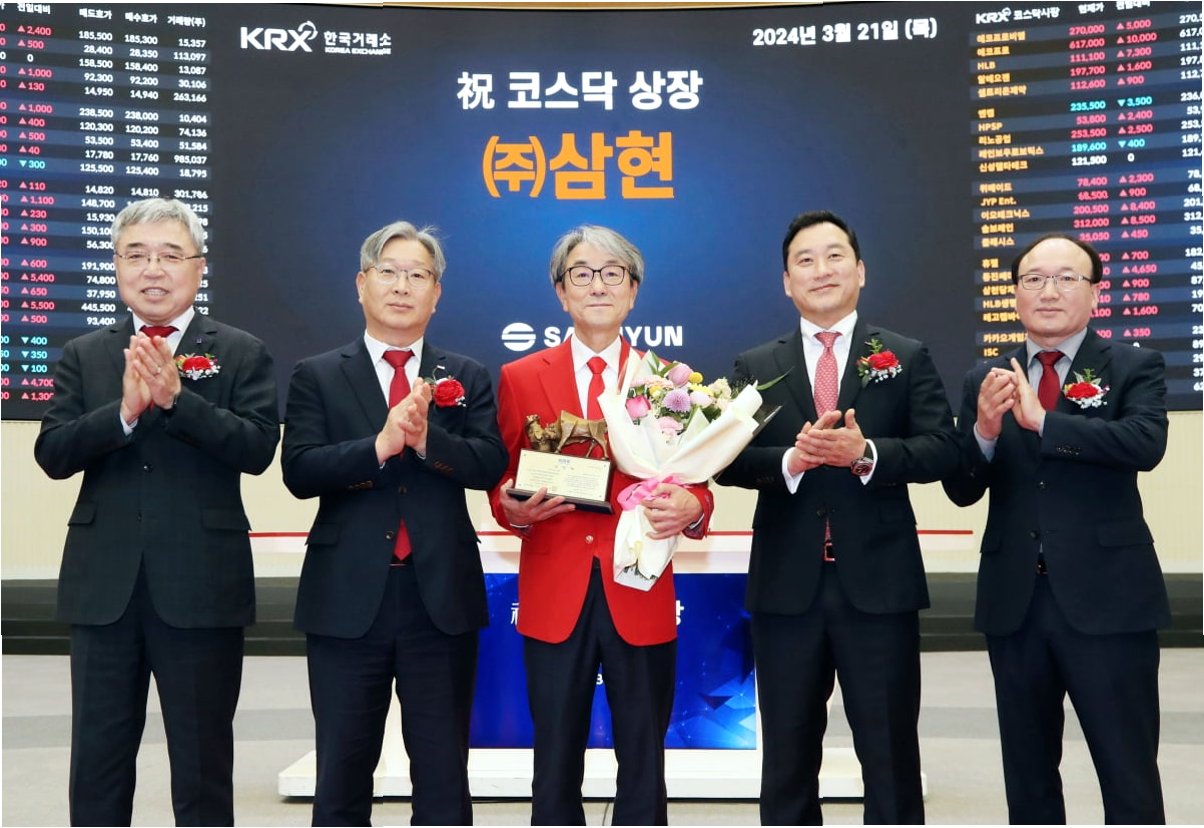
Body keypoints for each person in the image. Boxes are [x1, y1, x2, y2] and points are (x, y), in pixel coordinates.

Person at [33, 198, 280, 826]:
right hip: (104, 587)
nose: (153, 269)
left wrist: (177, 401)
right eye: (136, 255)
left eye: (170, 255)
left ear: (199, 267)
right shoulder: (85, 353)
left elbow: (256, 450)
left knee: (201, 764)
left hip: (202, 585)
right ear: (117, 266)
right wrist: (122, 412)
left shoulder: (240, 351)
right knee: (98, 761)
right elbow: (53, 454)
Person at [716, 210, 958, 824]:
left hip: (879, 587)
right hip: (786, 588)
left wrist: (867, 453)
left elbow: (942, 449)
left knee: (889, 749)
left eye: (834, 256)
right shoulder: (754, 365)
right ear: (786, 281)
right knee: (788, 754)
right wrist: (792, 460)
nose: (820, 270)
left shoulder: (905, 355)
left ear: (860, 270)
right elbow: (726, 461)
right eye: (805, 260)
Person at [281, 221, 507, 826]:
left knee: (443, 772)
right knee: (342, 768)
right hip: (346, 597)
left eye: (418, 275)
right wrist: (378, 447)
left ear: (437, 294)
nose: (402, 286)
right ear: (362, 284)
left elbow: (489, 463)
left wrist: (429, 440)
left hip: (440, 599)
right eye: (389, 272)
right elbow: (299, 470)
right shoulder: (317, 373)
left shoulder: (467, 374)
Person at [489, 225, 714, 825]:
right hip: (554, 590)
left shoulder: (671, 381)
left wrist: (693, 508)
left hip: (638, 589)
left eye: (613, 274)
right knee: (554, 756)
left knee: (643, 756)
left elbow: (696, 478)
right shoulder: (519, 377)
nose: (598, 286)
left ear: (633, 292)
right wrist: (510, 508)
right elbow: (502, 477)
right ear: (561, 292)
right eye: (582, 274)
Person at [942, 234, 1169, 824]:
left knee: (1128, 769)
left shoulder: (1133, 365)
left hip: (1109, 599)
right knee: (1029, 775)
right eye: (1034, 279)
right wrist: (984, 431)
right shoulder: (985, 377)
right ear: (1015, 294)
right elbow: (961, 488)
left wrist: (1046, 422)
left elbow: (1146, 444)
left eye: (1067, 278)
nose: (1049, 291)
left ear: (1094, 293)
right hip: (1015, 603)